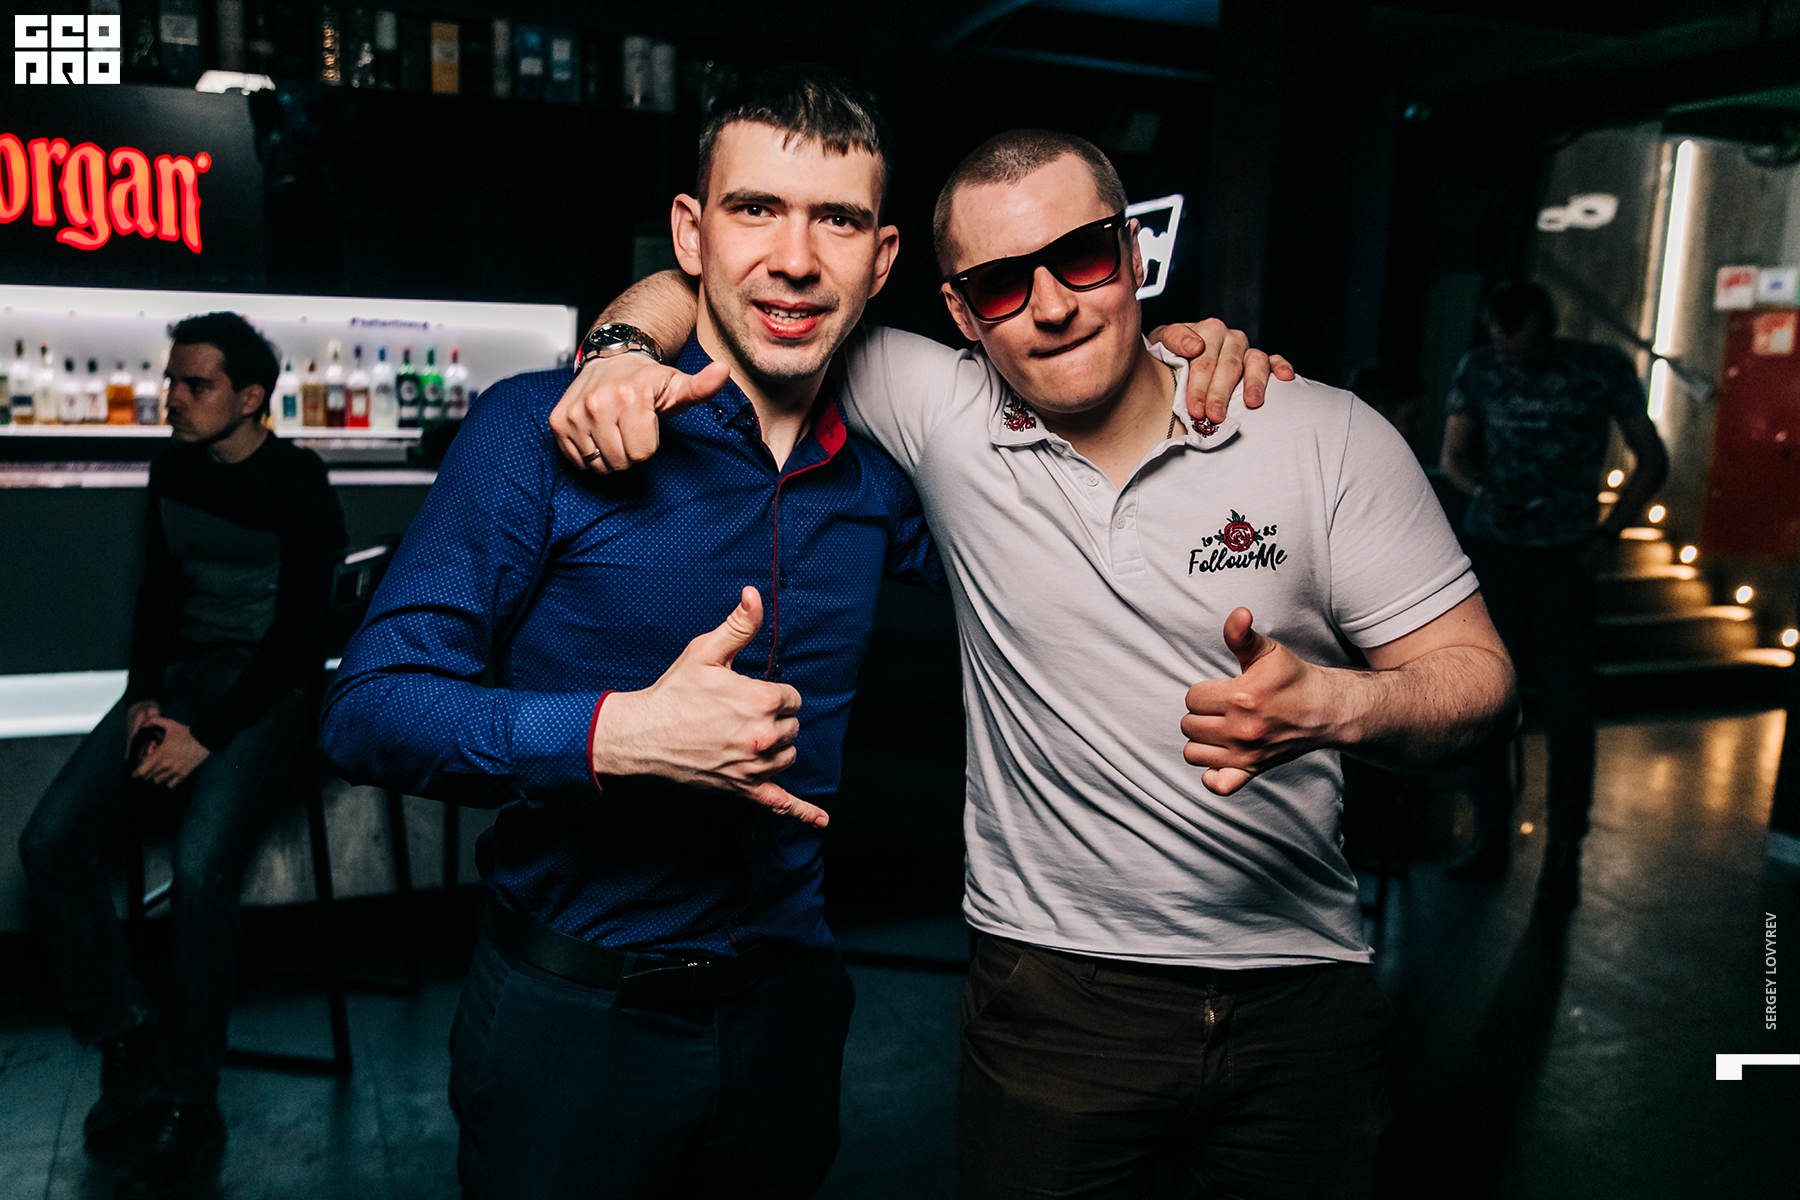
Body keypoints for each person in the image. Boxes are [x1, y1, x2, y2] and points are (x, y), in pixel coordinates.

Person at [319, 69, 1277, 1200]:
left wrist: (1194, 369)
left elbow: (1082, 512)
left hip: (788, 1014)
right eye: (756, 209)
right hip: (571, 1021)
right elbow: (369, 707)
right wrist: (617, 737)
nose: (795, 257)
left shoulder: (891, 474)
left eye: (838, 221)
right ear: (692, 232)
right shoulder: (540, 428)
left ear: (881, 259)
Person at [554, 128, 1517, 1199]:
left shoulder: (1319, 435)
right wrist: (621, 352)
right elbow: (737, 297)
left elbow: (1481, 687)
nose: (1052, 306)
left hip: (1300, 994)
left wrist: (1339, 705)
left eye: (1084, 258)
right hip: (1052, 998)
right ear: (962, 313)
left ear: (1135, 253)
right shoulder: (942, 410)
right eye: (1003, 285)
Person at [18, 312, 346, 1200]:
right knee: (49, 842)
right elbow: (158, 596)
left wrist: (209, 733)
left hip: (262, 697)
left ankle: (189, 1098)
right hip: (182, 685)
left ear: (250, 397)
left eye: (195, 385)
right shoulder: (173, 468)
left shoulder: (298, 483)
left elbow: (298, 641)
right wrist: (146, 698)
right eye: (172, 381)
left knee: (202, 871)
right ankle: (123, 1034)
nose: (173, 398)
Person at [1439, 280, 1667, 907]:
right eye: (1503, 349)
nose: (1513, 362)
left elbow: (1653, 459)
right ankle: (1489, 837)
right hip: (1493, 552)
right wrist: (1484, 492)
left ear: (1549, 332)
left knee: (1568, 711)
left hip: (1565, 558)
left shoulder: (1600, 368)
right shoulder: (1477, 367)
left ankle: (1565, 853)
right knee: (1485, 700)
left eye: (1527, 351)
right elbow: (1453, 457)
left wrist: (1608, 534)